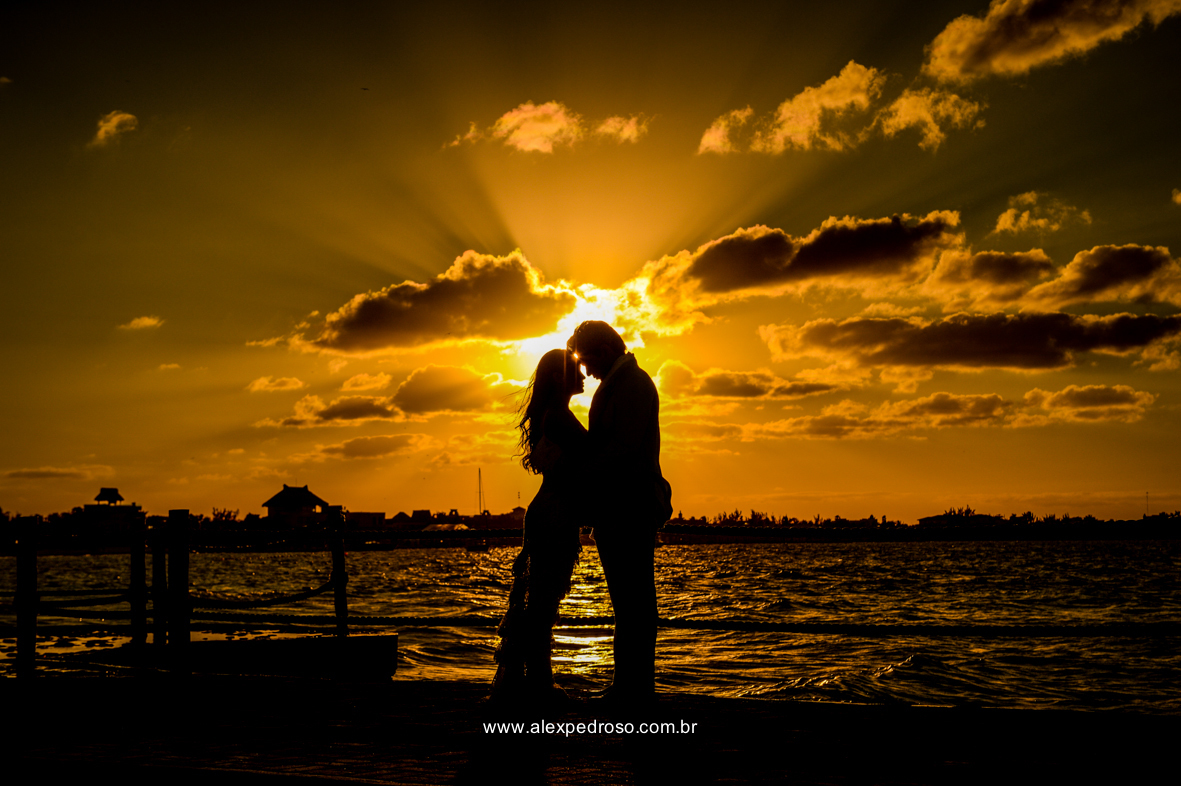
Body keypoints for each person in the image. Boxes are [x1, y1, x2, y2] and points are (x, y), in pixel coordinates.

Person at [566, 321, 671, 705]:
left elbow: (622, 448)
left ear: (606, 351)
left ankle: (634, 689)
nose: (586, 370)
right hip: (620, 507)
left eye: (587, 360)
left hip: (629, 506)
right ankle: (630, 686)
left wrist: (579, 477)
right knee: (629, 604)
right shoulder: (625, 383)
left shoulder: (632, 385)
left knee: (634, 605)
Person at [491, 348, 587, 705]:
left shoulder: (552, 415)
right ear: (558, 377)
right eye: (576, 370)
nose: (583, 375)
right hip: (555, 514)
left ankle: (535, 682)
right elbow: (593, 456)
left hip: (550, 511)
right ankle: (539, 685)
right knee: (543, 603)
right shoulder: (559, 418)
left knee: (540, 601)